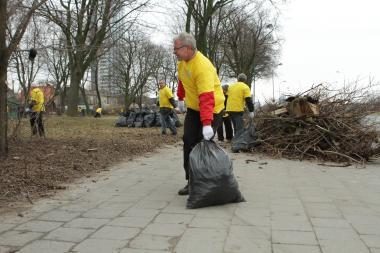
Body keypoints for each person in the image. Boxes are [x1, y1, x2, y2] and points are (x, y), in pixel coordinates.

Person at [174, 32, 225, 195]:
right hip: (194, 108)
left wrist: (207, 123)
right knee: (188, 140)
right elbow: (182, 80)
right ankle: (192, 181)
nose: (174, 52)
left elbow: (207, 98)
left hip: (212, 109)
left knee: (201, 143)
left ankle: (206, 180)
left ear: (188, 48)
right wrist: (180, 98)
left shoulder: (203, 66)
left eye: (176, 49)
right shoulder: (182, 63)